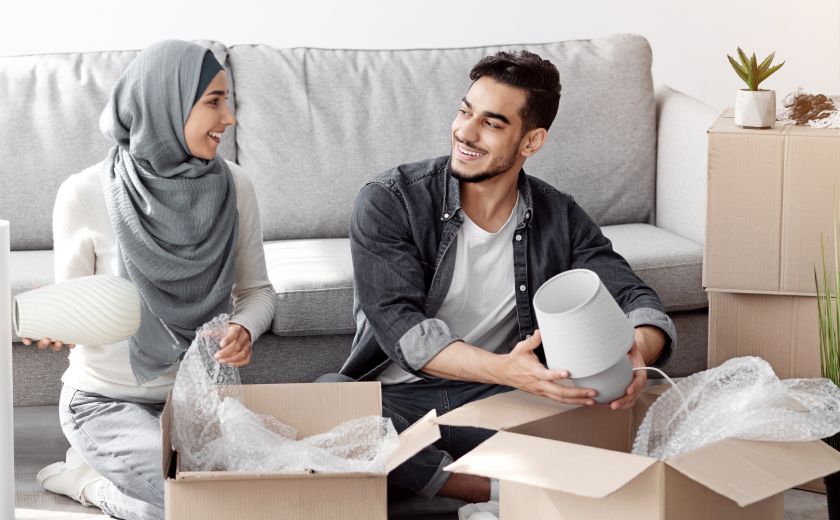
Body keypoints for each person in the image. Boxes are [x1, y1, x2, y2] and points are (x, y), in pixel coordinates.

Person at [339, 50, 676, 504]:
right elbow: (399, 324)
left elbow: (631, 293)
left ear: (531, 141)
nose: (465, 132)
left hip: (500, 402)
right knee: (330, 407)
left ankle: (430, 482)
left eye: (491, 123)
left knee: (627, 412)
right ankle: (488, 489)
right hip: (401, 401)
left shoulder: (559, 216)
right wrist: (507, 369)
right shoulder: (390, 199)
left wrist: (639, 351)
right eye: (465, 111)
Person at [23, 40, 276, 520]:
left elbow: (257, 293)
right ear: (167, 102)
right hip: (104, 402)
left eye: (228, 101)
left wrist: (245, 328)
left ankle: (112, 477)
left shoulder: (236, 187)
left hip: (197, 401)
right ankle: (89, 483)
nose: (230, 118)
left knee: (263, 495)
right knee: (200, 509)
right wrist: (57, 321)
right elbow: (74, 312)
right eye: (213, 102)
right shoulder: (83, 195)